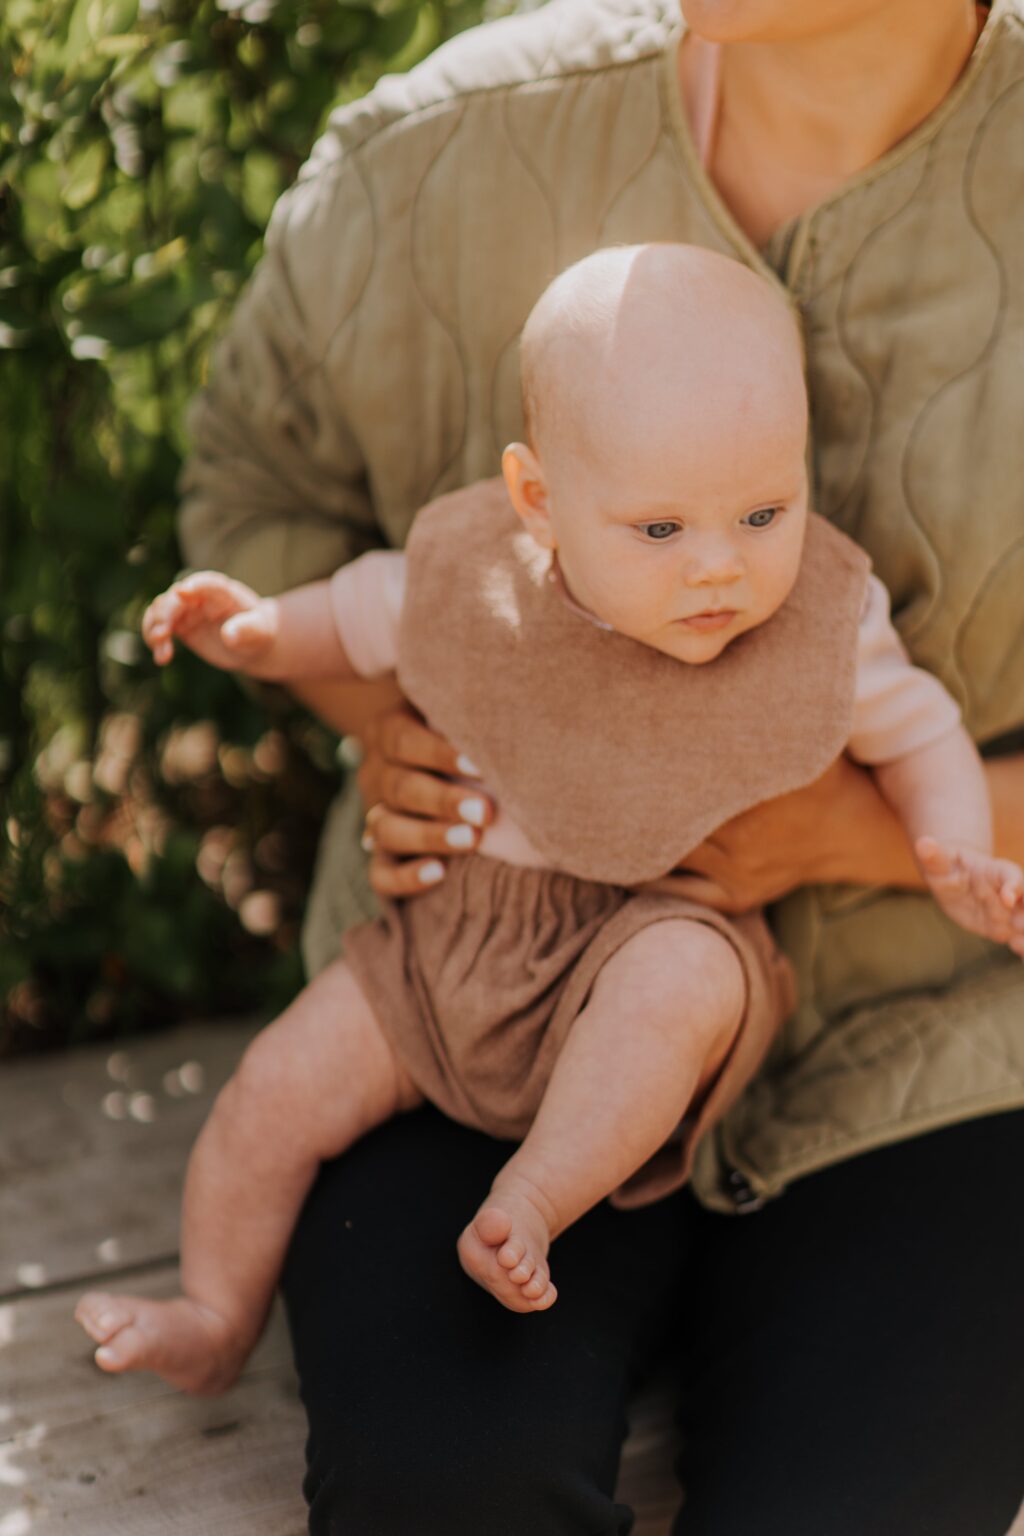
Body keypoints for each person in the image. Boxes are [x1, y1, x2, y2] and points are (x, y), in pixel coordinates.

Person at [142, 0, 1024, 1528]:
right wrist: (401, 724)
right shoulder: (442, 152)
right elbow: (259, 504)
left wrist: (862, 834)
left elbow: (911, 764)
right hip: (475, 1000)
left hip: (940, 1057)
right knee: (446, 1492)